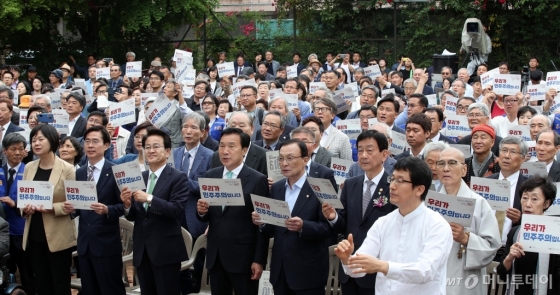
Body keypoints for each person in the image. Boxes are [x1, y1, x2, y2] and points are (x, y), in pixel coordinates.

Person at [334, 157, 453, 294]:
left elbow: (425, 271)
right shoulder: (383, 223)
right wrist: (347, 259)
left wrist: (383, 266)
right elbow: (359, 269)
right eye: (392, 179)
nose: (392, 186)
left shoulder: (437, 225)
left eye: (400, 181)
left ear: (419, 189)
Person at [252, 139, 331, 295]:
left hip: (308, 272)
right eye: (280, 158)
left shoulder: (321, 187)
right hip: (280, 271)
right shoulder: (277, 187)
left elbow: (330, 228)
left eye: (290, 158)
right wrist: (262, 222)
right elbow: (273, 227)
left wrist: (304, 226)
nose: (284, 163)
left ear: (305, 160)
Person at [323, 130, 397, 294]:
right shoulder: (350, 184)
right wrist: (333, 217)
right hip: (349, 265)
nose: (363, 155)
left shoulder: (394, 186)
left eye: (369, 151)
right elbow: (343, 224)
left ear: (384, 154)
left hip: (377, 267)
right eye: (360, 150)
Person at [197, 128, 269, 295]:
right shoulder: (211, 175)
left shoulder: (257, 179)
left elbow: (261, 226)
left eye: (231, 146)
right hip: (216, 255)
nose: (225, 151)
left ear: (244, 150)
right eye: (221, 146)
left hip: (243, 257)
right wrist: (201, 212)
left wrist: (259, 260)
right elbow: (209, 216)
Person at [121, 128, 190, 295]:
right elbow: (133, 215)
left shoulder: (178, 177)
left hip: (165, 250)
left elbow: (177, 210)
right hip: (142, 250)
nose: (151, 151)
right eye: (147, 147)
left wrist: (150, 199)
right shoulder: (140, 177)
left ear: (167, 152)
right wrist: (127, 204)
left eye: (156, 146)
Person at [62, 126, 125, 295]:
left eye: (95, 141)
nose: (90, 145)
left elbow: (125, 207)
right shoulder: (80, 172)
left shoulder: (116, 172)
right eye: (87, 141)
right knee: (89, 290)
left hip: (106, 244)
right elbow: (80, 206)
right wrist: (71, 209)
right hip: (85, 243)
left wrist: (107, 210)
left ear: (106, 146)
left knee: (111, 289)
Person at [436, 147, 501, 295]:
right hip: (434, 275)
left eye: (452, 163)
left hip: (465, 279)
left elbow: (492, 245)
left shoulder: (479, 203)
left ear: (464, 170)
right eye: (441, 164)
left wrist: (466, 239)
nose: (446, 168)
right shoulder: (430, 203)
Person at [21, 124, 76, 294]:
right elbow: (23, 197)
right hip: (35, 233)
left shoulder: (67, 169)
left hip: (58, 235)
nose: (36, 143)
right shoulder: (29, 167)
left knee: (60, 283)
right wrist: (25, 209)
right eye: (33, 140)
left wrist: (51, 208)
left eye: (40, 139)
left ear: (52, 141)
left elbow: (72, 203)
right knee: (42, 282)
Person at [496, 175, 560, 294]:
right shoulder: (515, 232)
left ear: (546, 203)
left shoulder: (555, 233)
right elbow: (502, 274)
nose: (528, 204)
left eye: (534, 199)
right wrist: (509, 258)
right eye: (524, 198)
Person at [0, 133, 34, 294]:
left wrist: (15, 204)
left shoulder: (30, 172)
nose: (18, 153)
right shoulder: (0, 172)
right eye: (13, 149)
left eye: (21, 149)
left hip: (21, 229)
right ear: (4, 150)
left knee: (27, 271)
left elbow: (35, 199)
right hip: (2, 233)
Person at [172, 113, 213, 240]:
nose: (188, 131)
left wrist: (181, 180)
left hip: (195, 216)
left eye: (194, 128)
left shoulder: (210, 156)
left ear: (202, 132)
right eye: (185, 127)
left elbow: (208, 188)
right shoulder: (173, 154)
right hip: (172, 213)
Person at [486, 135, 528, 259]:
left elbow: (538, 221)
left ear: (523, 158)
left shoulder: (529, 187)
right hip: (484, 247)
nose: (506, 155)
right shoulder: (485, 183)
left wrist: (520, 219)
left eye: (513, 152)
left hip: (512, 252)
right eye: (504, 150)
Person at [210, 112, 267, 176]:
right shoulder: (217, 155)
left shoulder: (264, 156)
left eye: (241, 126)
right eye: (233, 126)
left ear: (251, 129)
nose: (236, 129)